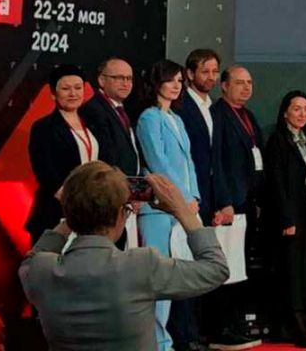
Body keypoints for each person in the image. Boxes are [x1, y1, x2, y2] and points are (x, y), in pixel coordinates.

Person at [20, 162, 229, 351]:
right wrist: (181, 210)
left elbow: (35, 255)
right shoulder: (141, 266)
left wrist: (75, 211)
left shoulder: (39, 271)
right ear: (121, 214)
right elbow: (216, 269)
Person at [135, 59, 201, 351]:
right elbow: (158, 162)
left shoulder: (176, 118)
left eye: (179, 81)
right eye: (170, 80)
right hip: (159, 208)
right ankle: (157, 342)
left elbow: (188, 163)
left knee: (174, 276)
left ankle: (165, 340)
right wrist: (182, 198)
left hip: (181, 207)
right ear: (157, 83)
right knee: (158, 277)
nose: (176, 86)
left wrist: (194, 196)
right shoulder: (149, 118)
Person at [210, 65, 264, 349]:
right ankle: (221, 328)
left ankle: (236, 324)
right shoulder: (218, 114)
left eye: (249, 82)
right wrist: (224, 201)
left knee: (240, 267)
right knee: (224, 267)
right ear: (224, 85)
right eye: (240, 82)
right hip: (229, 203)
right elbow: (216, 162)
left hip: (248, 202)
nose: (246, 87)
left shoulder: (248, 116)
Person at [174, 49, 223, 351]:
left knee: (202, 266)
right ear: (189, 74)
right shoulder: (181, 107)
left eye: (215, 71)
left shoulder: (212, 107)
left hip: (206, 198)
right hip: (186, 199)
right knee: (185, 267)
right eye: (205, 71)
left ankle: (197, 332)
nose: (211, 77)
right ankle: (185, 335)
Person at [262, 91, 306, 348]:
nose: (302, 114)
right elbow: (276, 183)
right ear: (285, 112)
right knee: (290, 270)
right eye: (296, 109)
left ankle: (292, 323)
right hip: (288, 214)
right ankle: (294, 325)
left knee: (302, 269)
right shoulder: (278, 141)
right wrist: (287, 219)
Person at [27, 64, 100, 243]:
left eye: (78, 88)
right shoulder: (43, 127)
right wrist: (72, 203)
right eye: (66, 89)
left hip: (90, 210)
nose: (73, 93)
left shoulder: (92, 123)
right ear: (53, 94)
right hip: (56, 211)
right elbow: (45, 172)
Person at [82, 58, 139, 177]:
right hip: (111, 182)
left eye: (129, 78)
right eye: (119, 78)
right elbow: (105, 154)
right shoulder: (95, 109)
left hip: (130, 181)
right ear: (102, 80)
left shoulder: (121, 108)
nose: (126, 83)